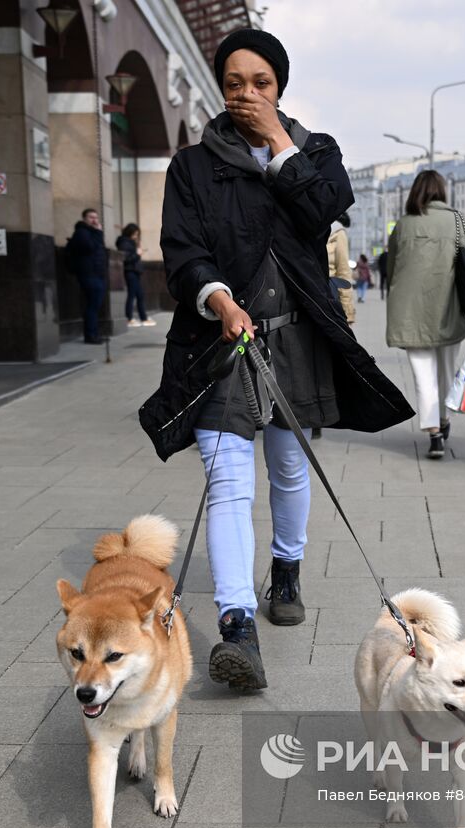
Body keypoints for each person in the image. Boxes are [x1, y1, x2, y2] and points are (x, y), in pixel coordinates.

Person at [138, 27, 412, 692]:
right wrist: (216, 298)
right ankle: (238, 624)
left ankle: (285, 567)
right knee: (229, 479)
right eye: (234, 83)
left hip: (296, 340)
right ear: (221, 87)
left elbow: (325, 209)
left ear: (279, 86)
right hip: (220, 339)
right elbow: (182, 250)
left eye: (260, 83)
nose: (247, 95)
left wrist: (281, 147)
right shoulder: (193, 165)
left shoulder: (315, 151)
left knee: (289, 464)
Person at [385, 170, 465, 460]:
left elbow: (391, 267)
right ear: (442, 191)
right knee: (446, 373)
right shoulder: (457, 220)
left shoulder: (403, 224)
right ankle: (443, 420)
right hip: (447, 308)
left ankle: (434, 432)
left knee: (424, 377)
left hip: (410, 312)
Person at [67, 208, 107, 343]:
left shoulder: (91, 232)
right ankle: (91, 335)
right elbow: (89, 247)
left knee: (95, 305)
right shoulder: (82, 232)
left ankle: (94, 333)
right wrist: (98, 232)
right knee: (93, 305)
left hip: (96, 273)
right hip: (89, 273)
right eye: (91, 217)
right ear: (84, 218)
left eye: (96, 217)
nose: (94, 220)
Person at [117, 222, 153, 326]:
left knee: (139, 295)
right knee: (132, 295)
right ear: (129, 233)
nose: (136, 236)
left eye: (137, 234)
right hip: (130, 271)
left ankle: (143, 318)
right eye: (134, 234)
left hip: (135, 271)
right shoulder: (124, 243)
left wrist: (138, 249)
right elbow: (126, 259)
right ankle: (129, 318)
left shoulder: (130, 243)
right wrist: (137, 254)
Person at [326, 212, 356, 326]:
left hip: (327, 298)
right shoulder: (338, 232)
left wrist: (347, 311)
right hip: (321, 296)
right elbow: (344, 272)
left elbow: (343, 272)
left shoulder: (337, 232)